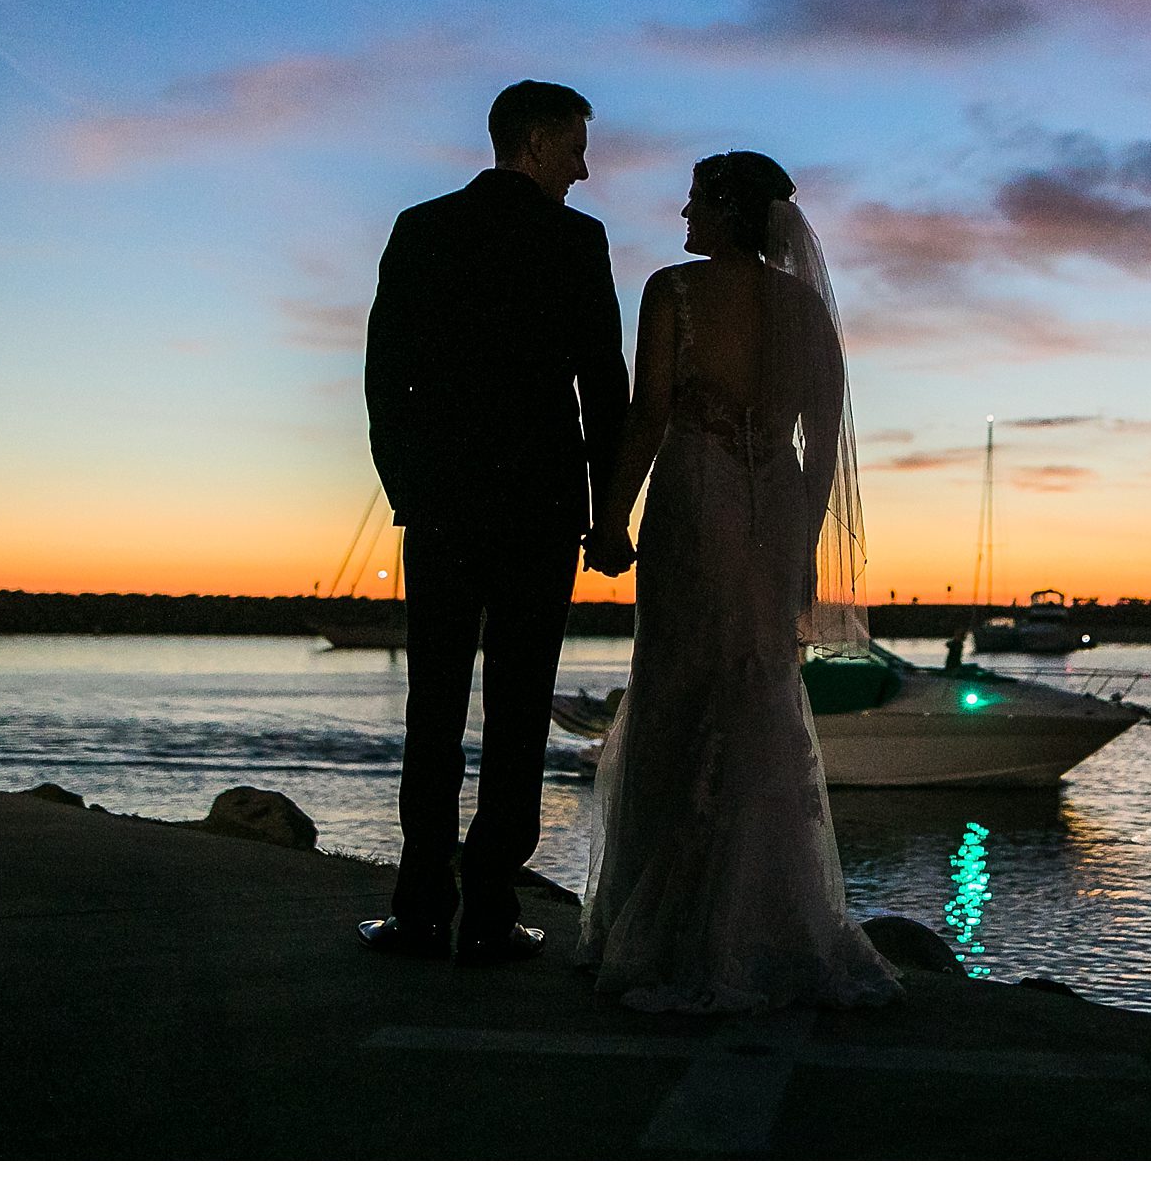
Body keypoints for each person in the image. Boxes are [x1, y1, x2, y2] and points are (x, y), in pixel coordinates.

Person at [575, 152, 901, 1011]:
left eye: (695, 198)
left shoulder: (673, 291)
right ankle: (767, 920)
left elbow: (650, 414)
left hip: (698, 497)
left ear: (725, 209)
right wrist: (806, 546)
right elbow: (823, 439)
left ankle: (660, 926)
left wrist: (609, 518)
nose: (683, 212)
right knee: (758, 688)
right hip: (776, 507)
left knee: (680, 686)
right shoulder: (807, 311)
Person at [357, 81, 633, 967]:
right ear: (540, 142)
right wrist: (607, 514)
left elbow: (383, 378)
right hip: (542, 510)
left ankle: (419, 906)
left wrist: (410, 486)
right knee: (519, 710)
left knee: (432, 709)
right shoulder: (576, 241)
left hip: (442, 507)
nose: (586, 170)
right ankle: (488, 912)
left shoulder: (422, 228)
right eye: (579, 147)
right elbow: (603, 388)